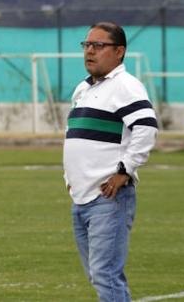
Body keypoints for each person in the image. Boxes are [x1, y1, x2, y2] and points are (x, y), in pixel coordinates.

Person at [63, 22, 158, 301]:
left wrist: (124, 170)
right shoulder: (83, 89)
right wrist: (70, 180)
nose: (90, 51)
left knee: (106, 274)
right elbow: (75, 137)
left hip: (109, 198)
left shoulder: (126, 86)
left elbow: (147, 128)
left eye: (99, 46)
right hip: (81, 197)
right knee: (98, 275)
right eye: (87, 45)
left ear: (119, 51)